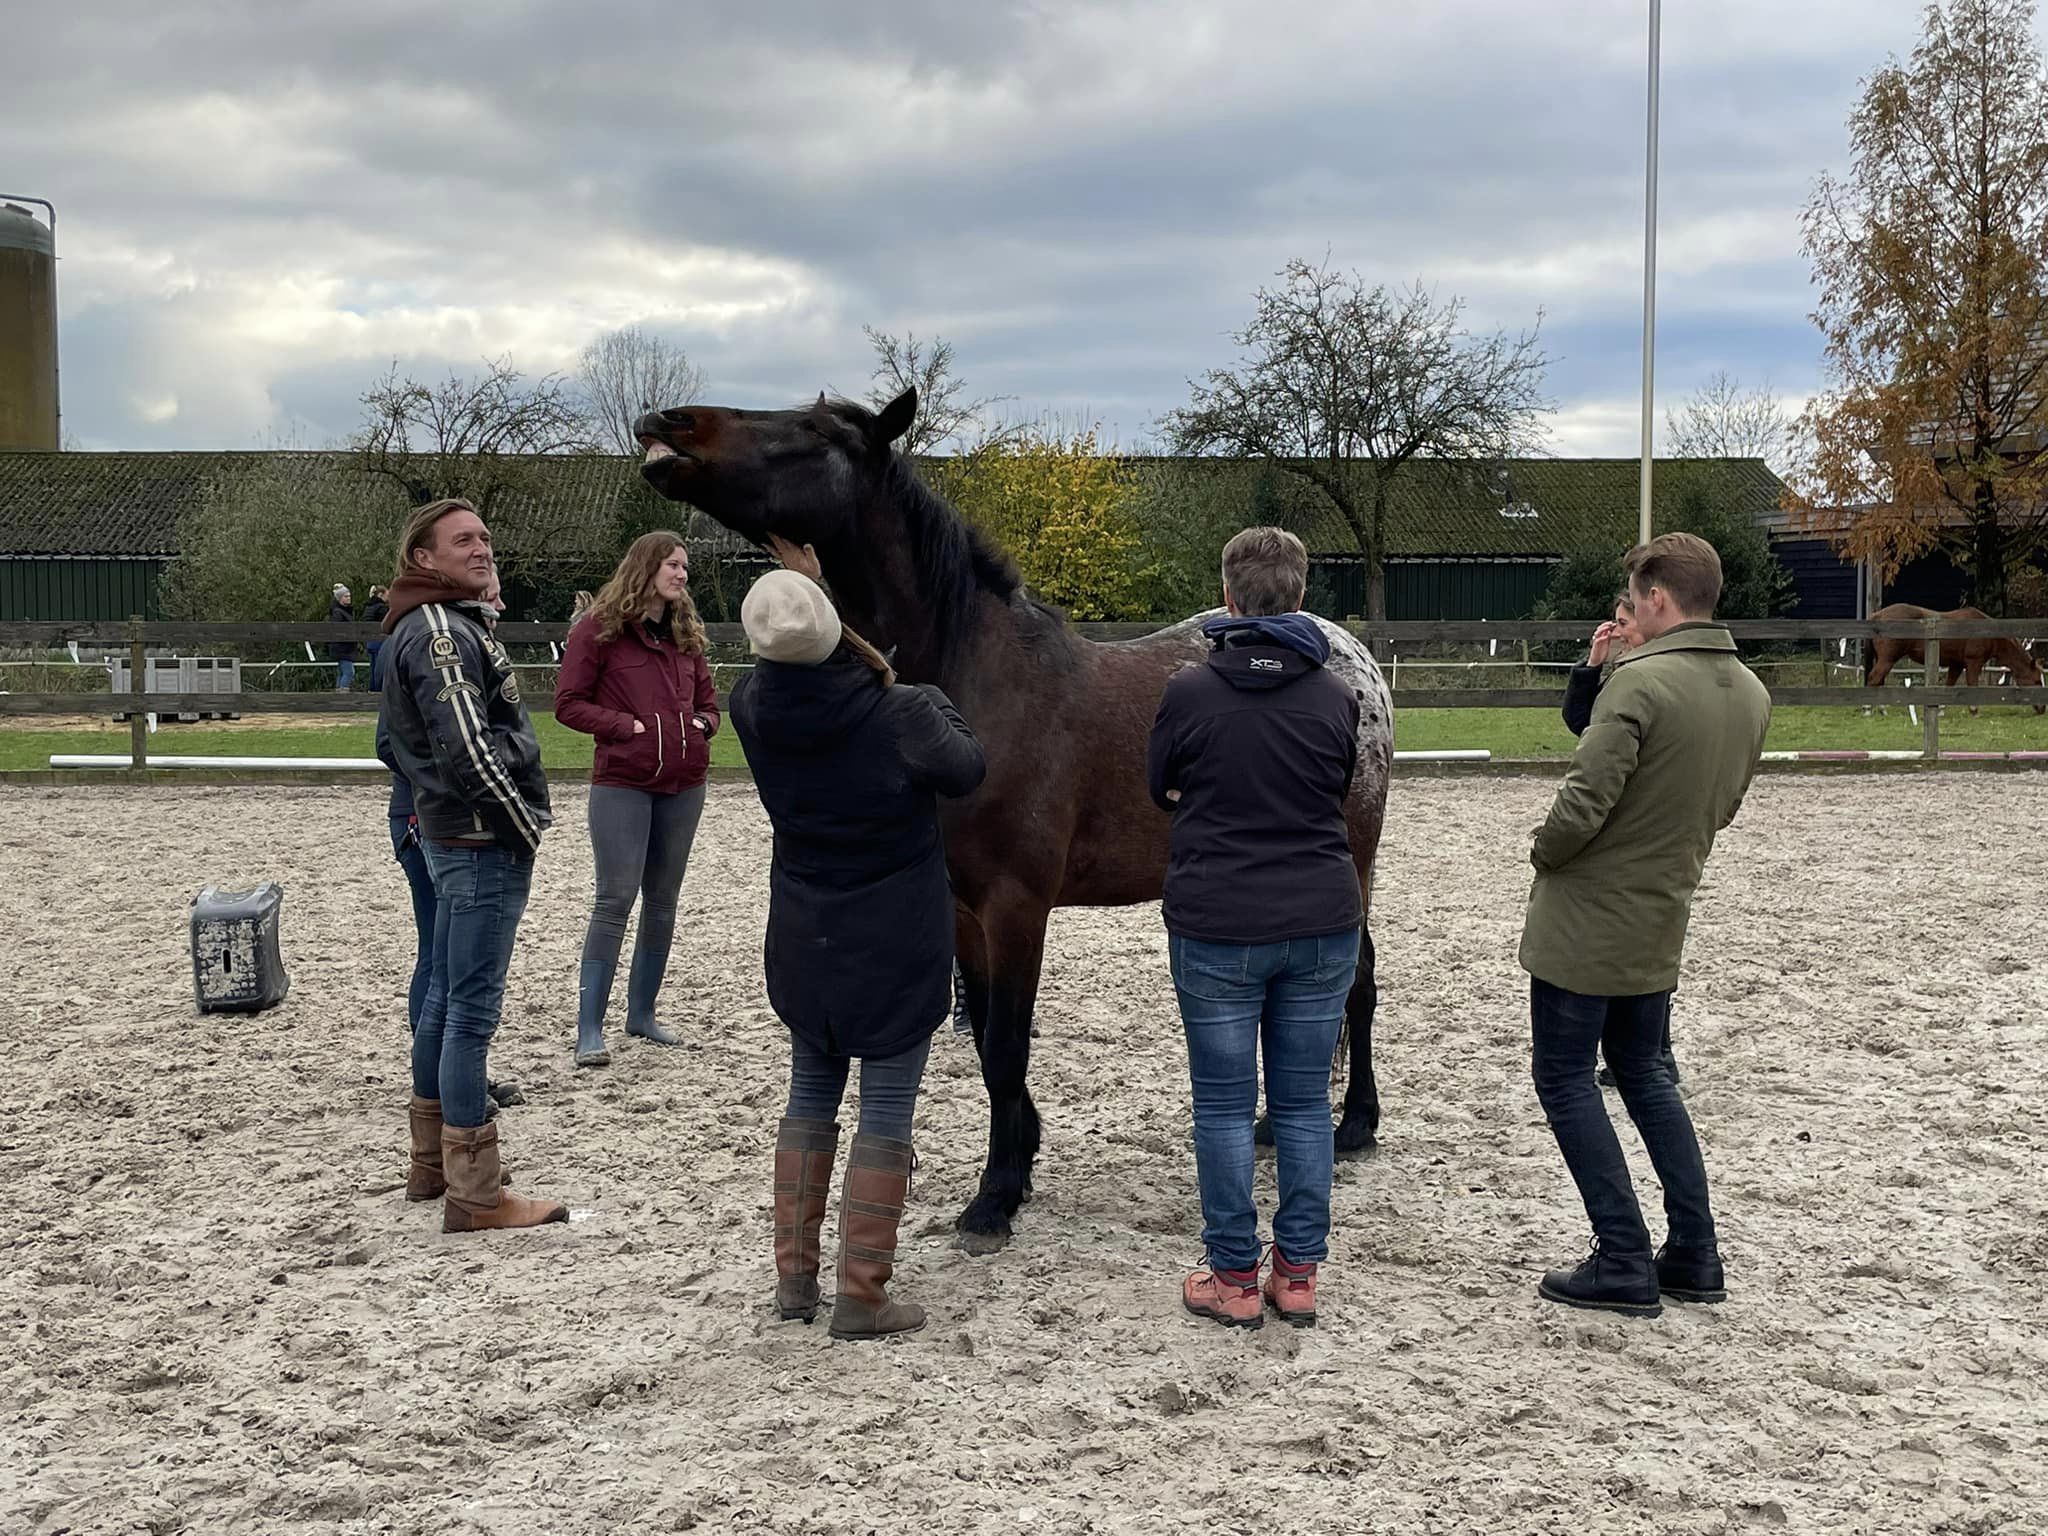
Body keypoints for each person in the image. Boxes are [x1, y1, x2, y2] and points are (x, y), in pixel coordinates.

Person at [730, 540, 984, 1340]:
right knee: (886, 1106)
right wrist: (929, 695)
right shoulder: (902, 714)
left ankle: (795, 1282)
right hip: (897, 934)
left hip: (806, 931)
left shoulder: (750, 706)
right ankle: (863, 1292)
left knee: (809, 1092)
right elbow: (968, 766)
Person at [1522, 532, 1769, 1316]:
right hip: (1666, 906)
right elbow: (1722, 808)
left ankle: (1621, 1254)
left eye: (1634, 598)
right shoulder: (1752, 693)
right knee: (1648, 1074)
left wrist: (1544, 851)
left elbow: (1581, 803)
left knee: (1563, 1078)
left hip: (1588, 916)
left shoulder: (1639, 685)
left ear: (1657, 597)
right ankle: (1694, 1251)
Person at [1146, 526, 1362, 1331]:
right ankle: (1297, 1273)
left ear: (1227, 597)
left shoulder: (1188, 693)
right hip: (1320, 919)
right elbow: (1336, 785)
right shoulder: (1337, 696)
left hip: (1217, 922)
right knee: (1305, 1105)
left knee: (1224, 1108)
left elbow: (1157, 786)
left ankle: (1234, 1276)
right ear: (1301, 598)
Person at [379, 498, 566, 1233]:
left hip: (450, 836)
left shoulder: (427, 624)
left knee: (443, 1001)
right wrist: (522, 826)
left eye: (485, 536)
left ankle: (432, 1165)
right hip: (479, 840)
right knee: (470, 1015)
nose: (481, 548)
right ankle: (477, 1192)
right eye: (463, 540)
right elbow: (467, 748)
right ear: (423, 558)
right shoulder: (439, 634)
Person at [554, 532, 721, 1067]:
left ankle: (642, 1014)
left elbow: (711, 704)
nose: (682, 574)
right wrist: (626, 727)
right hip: (623, 782)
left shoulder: (685, 636)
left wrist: (702, 726)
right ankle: (589, 1028)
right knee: (614, 899)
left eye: (685, 566)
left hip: (684, 783)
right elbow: (569, 704)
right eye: (674, 564)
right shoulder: (598, 632)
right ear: (647, 567)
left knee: (664, 901)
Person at [375, 570, 523, 1116]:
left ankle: (448, 1087)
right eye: (493, 590)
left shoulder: (456, 638)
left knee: (444, 962)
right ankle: (444, 1089)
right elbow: (390, 741)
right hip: (430, 817)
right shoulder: (436, 641)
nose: (500, 599)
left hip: (429, 812)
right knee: (441, 962)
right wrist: (437, 786)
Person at [1562, 596, 1683, 1089]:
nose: (1619, 631)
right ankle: (1645, 1050)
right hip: (1622, 815)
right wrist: (1592, 665)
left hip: (1641, 821)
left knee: (1641, 936)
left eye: (1625, 622)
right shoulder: (1621, 674)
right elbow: (1577, 721)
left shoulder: (1653, 678)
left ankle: (1657, 1050)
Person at [329, 584, 359, 691]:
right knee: (349, 672)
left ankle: (338, 693)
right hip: (343, 648)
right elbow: (338, 631)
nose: (349, 598)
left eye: (349, 596)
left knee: (342, 672)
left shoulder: (344, 612)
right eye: (346, 596)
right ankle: (343, 693)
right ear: (340, 598)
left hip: (344, 647)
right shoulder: (338, 613)